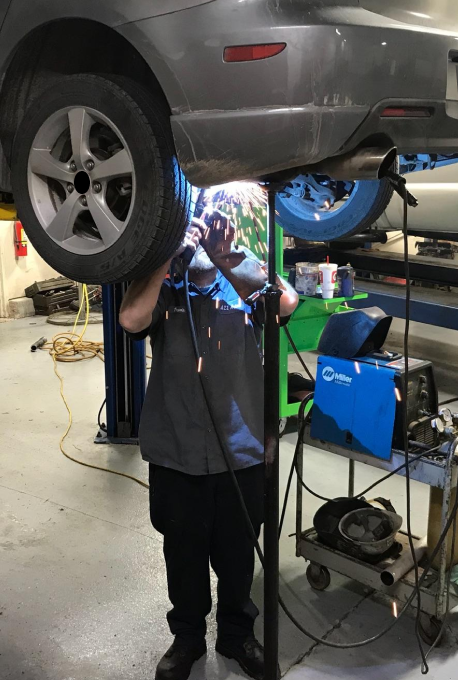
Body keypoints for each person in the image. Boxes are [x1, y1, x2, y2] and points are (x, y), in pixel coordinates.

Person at [119, 212, 298, 680]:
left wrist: (227, 257)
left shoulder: (244, 278)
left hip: (240, 452)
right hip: (176, 450)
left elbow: (286, 305)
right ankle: (187, 638)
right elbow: (130, 318)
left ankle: (238, 636)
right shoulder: (163, 287)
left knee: (238, 557)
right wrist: (166, 257)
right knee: (184, 554)